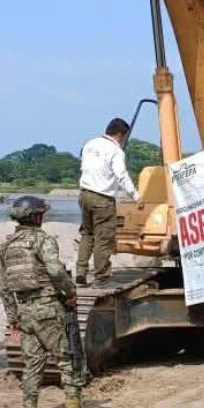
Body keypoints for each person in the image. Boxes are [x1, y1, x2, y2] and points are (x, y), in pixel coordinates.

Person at [0, 195, 95, 408]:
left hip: (25, 313)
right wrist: (71, 292)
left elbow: (4, 286)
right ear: (36, 216)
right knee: (69, 360)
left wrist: (13, 317)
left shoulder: (7, 246)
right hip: (48, 309)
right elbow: (54, 270)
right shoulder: (42, 240)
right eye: (41, 213)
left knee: (32, 365)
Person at [76, 117, 145, 287]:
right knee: (104, 238)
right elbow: (121, 176)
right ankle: (102, 277)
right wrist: (136, 196)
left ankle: (80, 271)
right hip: (102, 198)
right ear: (121, 134)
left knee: (87, 234)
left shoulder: (90, 144)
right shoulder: (115, 150)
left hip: (84, 194)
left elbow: (84, 167)